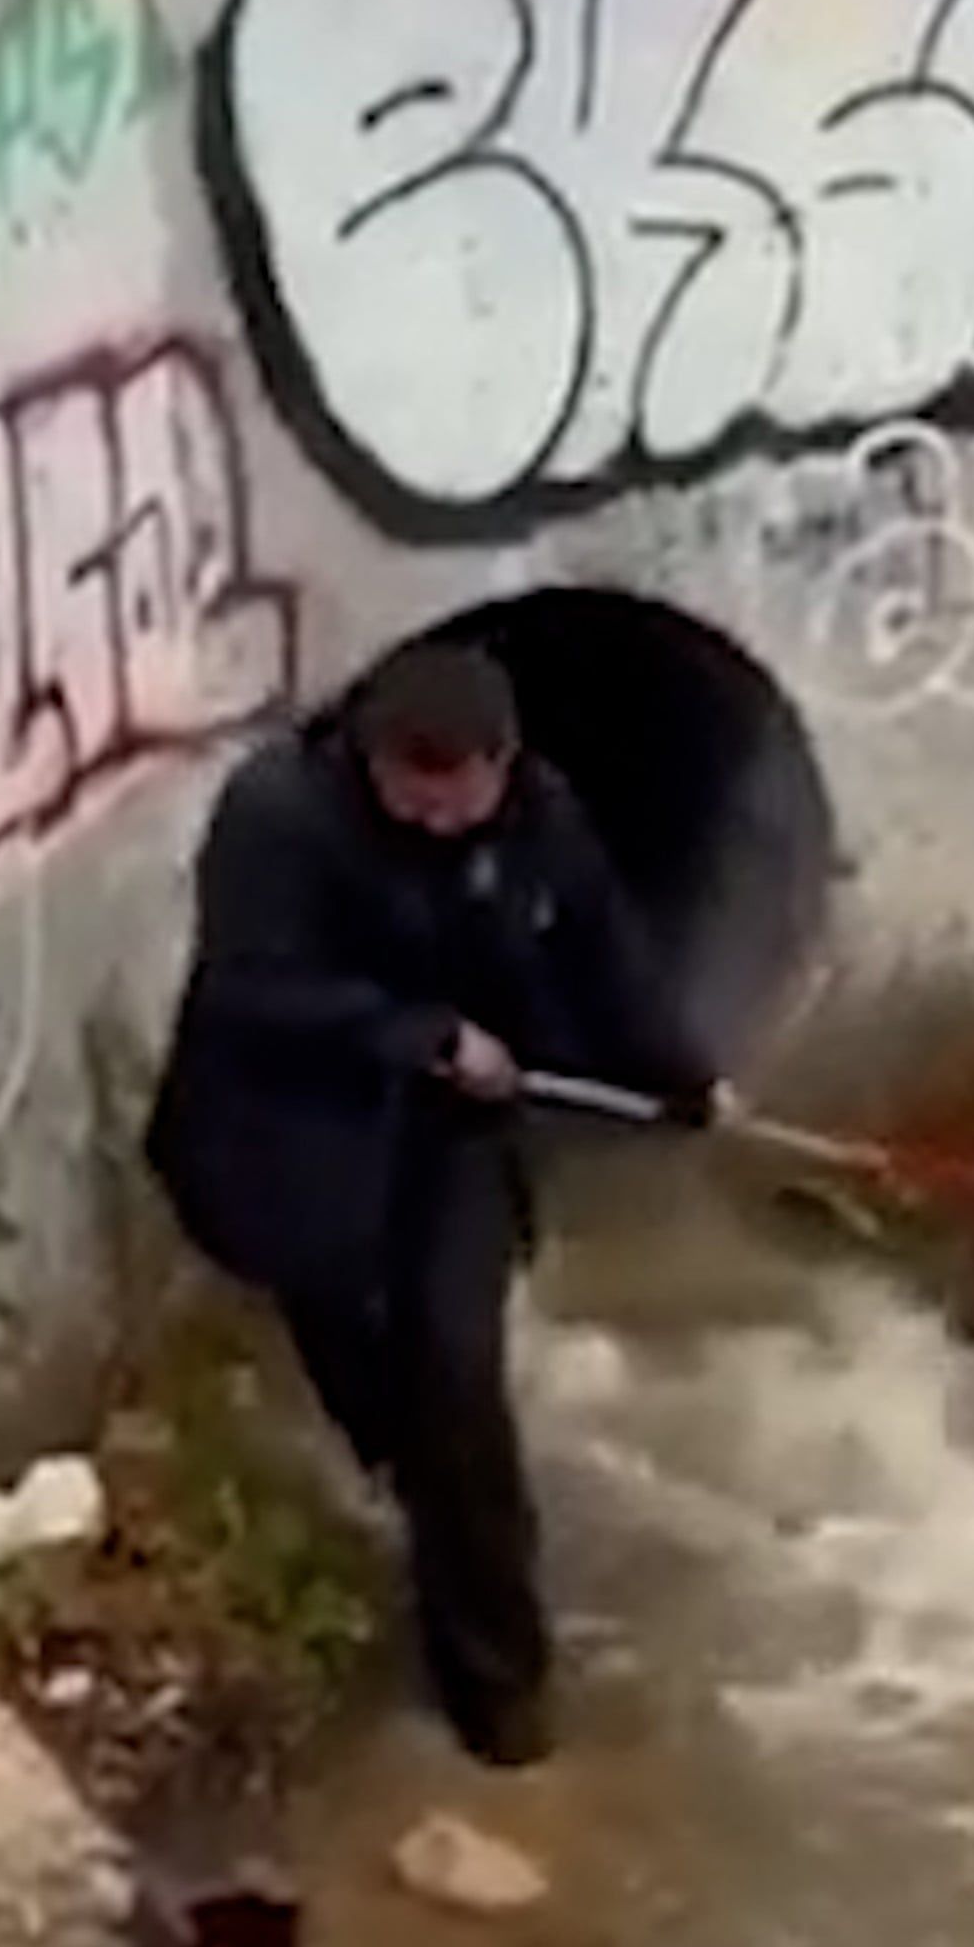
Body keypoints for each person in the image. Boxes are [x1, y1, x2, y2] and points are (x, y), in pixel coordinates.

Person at [143, 640, 723, 1767]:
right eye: (417, 796)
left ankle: (503, 1693)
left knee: (457, 1376)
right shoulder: (279, 815)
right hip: (297, 1121)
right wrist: (417, 1035)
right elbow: (249, 986)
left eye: (465, 796)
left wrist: (680, 1072)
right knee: (373, 1372)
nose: (444, 822)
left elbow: (603, 945)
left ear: (505, 765)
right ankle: (423, 1505)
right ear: (374, 765)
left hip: (451, 1133)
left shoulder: (540, 814)